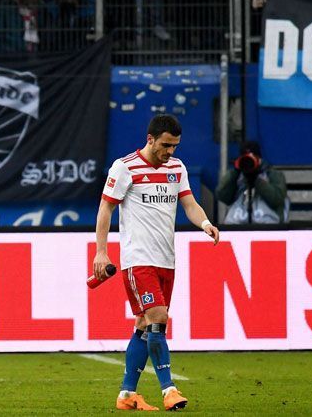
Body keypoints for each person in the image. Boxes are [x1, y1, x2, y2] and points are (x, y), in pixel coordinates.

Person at [93, 114, 220, 412]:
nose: (170, 152)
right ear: (150, 139)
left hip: (166, 259)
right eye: (165, 145)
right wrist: (101, 251)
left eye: (175, 146)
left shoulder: (176, 168)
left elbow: (189, 203)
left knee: (143, 324)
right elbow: (105, 208)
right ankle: (169, 390)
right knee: (158, 317)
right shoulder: (125, 167)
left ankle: (127, 395)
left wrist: (205, 224)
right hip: (138, 260)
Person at [216, 141, 289, 225]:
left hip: (267, 225)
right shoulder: (237, 176)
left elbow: (277, 199)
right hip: (237, 224)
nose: (249, 163)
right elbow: (222, 195)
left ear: (259, 160)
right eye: (245, 159)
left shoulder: (272, 175)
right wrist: (235, 172)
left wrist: (257, 180)